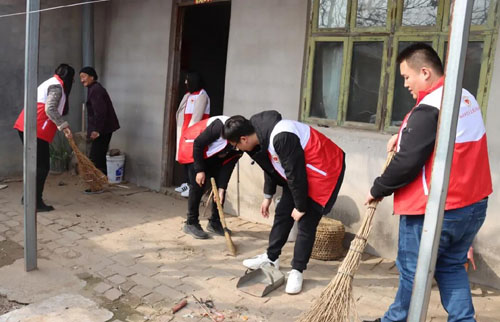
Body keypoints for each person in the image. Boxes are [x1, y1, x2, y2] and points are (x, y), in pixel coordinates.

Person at [364, 43, 492, 322]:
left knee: (412, 270)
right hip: (473, 204)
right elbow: (440, 144)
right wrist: (404, 136)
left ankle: (393, 321)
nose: (406, 84)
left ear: (424, 72)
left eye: (406, 77)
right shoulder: (463, 96)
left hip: (435, 209)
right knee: (450, 266)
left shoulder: (430, 107)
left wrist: (378, 188)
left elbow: (408, 161)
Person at [222, 111, 345, 294]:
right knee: (282, 213)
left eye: (236, 145)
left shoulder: (282, 138)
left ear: (244, 139)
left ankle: (297, 270)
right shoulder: (258, 133)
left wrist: (301, 207)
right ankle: (271, 258)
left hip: (323, 169)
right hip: (299, 171)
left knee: (306, 223)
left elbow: (296, 175)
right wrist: (268, 195)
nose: (238, 150)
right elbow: (271, 165)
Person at [13, 63, 75, 212]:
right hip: (36, 128)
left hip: (27, 126)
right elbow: (50, 108)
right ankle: (35, 202)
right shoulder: (56, 87)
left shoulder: (51, 82)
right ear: (69, 78)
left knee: (35, 165)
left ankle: (28, 197)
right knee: (42, 166)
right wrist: (64, 126)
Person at [177, 115, 242, 239]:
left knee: (219, 189)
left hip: (211, 154)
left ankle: (215, 222)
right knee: (198, 185)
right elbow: (198, 144)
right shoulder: (219, 127)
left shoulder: (242, 143)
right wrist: (200, 170)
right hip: (192, 148)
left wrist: (222, 188)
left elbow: (227, 167)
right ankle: (191, 222)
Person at [79, 66, 120, 192]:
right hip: (104, 128)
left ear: (92, 77)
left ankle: (97, 185)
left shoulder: (96, 90)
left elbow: (100, 112)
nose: (82, 80)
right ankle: (101, 183)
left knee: (96, 157)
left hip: (103, 129)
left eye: (84, 77)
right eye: (80, 78)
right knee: (99, 156)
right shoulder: (93, 88)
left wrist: (97, 130)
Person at [175, 72, 210, 197]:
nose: (185, 83)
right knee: (184, 157)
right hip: (184, 130)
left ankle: (192, 185)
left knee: (192, 159)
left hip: (192, 132)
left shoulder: (202, 95)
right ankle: (186, 182)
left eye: (187, 80)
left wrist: (190, 133)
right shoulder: (188, 95)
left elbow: (197, 116)